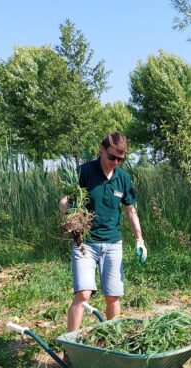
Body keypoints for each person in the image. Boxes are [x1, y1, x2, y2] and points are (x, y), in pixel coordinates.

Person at [58, 132, 146, 332]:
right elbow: (66, 201)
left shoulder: (123, 178)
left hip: (113, 243)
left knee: (112, 296)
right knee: (83, 294)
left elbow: (130, 211)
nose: (116, 162)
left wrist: (139, 239)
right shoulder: (85, 171)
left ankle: (112, 340)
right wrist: (67, 208)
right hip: (85, 244)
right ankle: (71, 347)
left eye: (120, 159)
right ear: (102, 149)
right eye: (112, 157)